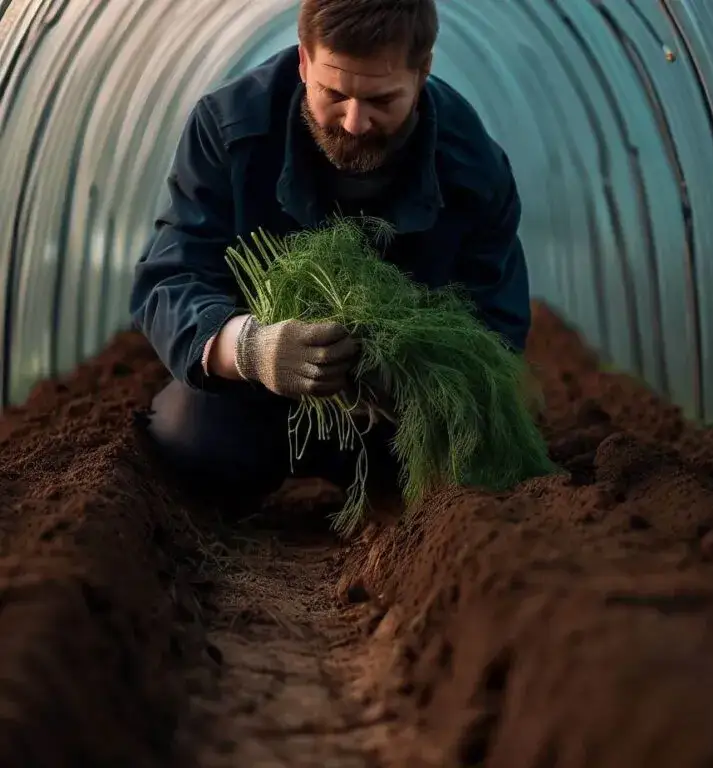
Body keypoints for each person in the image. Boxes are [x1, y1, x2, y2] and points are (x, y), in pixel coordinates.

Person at [129, 0, 532, 507]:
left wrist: (412, 373)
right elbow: (172, 277)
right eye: (334, 94)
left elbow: (497, 324)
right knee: (186, 440)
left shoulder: (473, 168)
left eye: (382, 100)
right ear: (303, 60)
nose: (355, 122)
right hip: (257, 395)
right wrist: (250, 349)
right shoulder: (230, 127)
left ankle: (388, 497)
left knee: (471, 468)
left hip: (394, 419)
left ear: (423, 71)